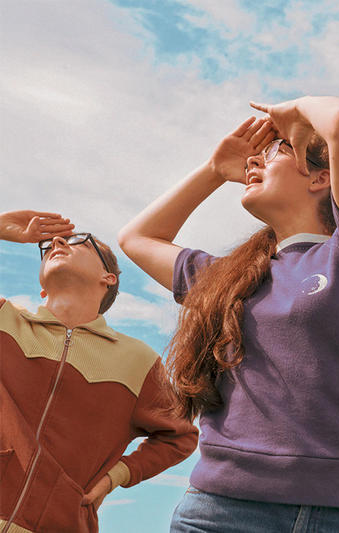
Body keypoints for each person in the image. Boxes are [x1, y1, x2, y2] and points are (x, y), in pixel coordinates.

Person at [117, 96, 339, 533]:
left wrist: (297, 113)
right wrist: (214, 170)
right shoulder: (226, 278)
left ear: (321, 178)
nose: (253, 163)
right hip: (220, 509)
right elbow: (136, 237)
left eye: (274, 152)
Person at [0, 210, 199, 533]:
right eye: (47, 246)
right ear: (41, 288)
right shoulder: (4, 321)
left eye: (80, 241)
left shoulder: (137, 360)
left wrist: (114, 477)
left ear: (108, 278)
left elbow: (181, 436)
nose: (59, 242)